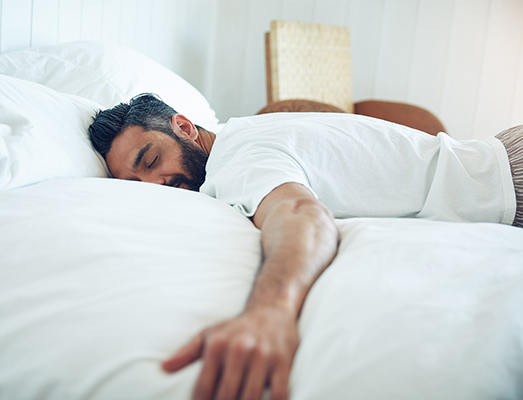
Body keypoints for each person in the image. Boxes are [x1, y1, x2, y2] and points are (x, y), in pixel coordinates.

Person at [88, 93, 522, 400]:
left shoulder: (238, 160)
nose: (157, 184)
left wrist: (269, 311)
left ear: (183, 126)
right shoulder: (248, 131)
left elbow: (300, 213)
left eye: (151, 160)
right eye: (137, 184)